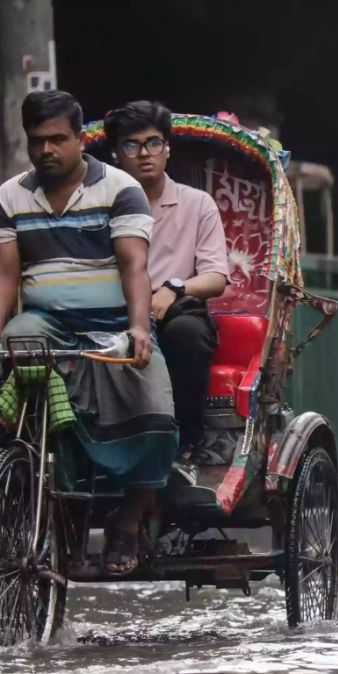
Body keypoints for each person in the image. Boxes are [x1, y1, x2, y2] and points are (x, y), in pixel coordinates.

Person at [0, 91, 177, 575]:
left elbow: (134, 265)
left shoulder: (121, 188)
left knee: (156, 406)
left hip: (113, 326)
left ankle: (129, 520)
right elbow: (6, 277)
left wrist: (139, 328)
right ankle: (41, 497)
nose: (47, 151)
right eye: (37, 142)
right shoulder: (11, 194)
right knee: (19, 338)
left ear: (81, 140)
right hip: (49, 324)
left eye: (58, 139)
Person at [104, 101, 229, 470]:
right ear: (115, 155)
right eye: (132, 145)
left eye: (153, 143)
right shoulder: (104, 205)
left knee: (187, 332)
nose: (145, 154)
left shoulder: (197, 204)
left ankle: (186, 442)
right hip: (117, 308)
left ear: (167, 148)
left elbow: (216, 276)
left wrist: (173, 287)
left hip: (176, 309)